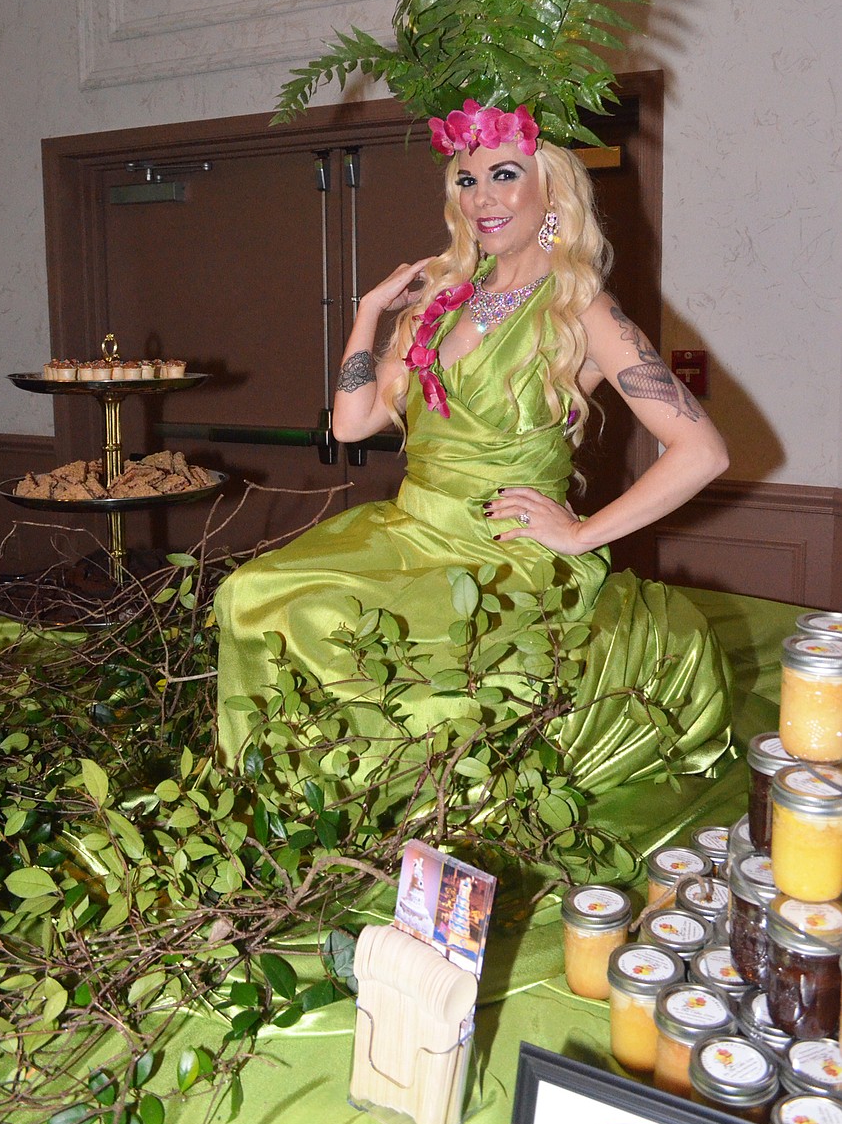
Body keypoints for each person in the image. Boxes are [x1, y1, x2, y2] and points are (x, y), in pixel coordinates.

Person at [215, 106, 733, 788]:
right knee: (250, 593)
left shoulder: (581, 309)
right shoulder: (446, 302)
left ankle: (381, 811)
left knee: (390, 659)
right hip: (413, 528)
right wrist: (370, 311)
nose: (482, 196)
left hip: (501, 552)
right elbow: (351, 422)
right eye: (466, 180)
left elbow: (703, 451)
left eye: (504, 174)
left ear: (551, 190)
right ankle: (294, 796)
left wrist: (580, 534)